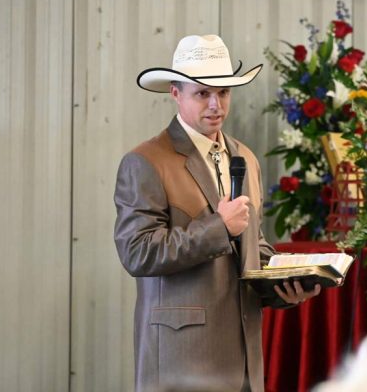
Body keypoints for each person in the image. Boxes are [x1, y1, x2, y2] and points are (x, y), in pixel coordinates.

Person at [114, 34, 320, 392]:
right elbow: (138, 253)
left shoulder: (245, 158)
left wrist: (285, 285)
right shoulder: (146, 161)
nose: (215, 104)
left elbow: (252, 246)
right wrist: (218, 227)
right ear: (175, 93)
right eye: (202, 93)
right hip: (182, 360)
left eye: (224, 92)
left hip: (243, 360)